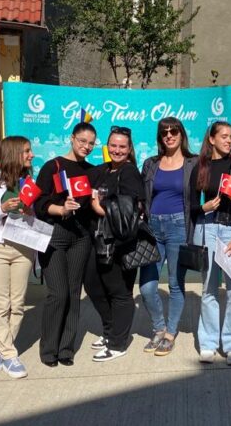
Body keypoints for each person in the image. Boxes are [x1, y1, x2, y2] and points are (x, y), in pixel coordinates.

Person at [188, 121, 231, 366]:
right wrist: (203, 207)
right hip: (207, 228)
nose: (229, 140)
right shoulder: (201, 166)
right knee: (208, 289)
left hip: (230, 232)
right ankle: (208, 344)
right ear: (212, 139)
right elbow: (190, 204)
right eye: (224, 136)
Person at [34, 124, 96, 366]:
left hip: (80, 237)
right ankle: (49, 350)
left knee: (73, 292)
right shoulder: (53, 166)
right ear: (72, 138)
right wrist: (61, 209)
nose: (86, 146)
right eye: (82, 141)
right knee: (57, 294)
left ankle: (66, 349)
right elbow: (39, 203)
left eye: (91, 143)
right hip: (55, 235)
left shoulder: (91, 171)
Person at [85, 126, 146, 362]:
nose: (117, 150)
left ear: (129, 149)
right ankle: (111, 331)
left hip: (120, 244)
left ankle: (118, 344)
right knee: (93, 285)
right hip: (101, 241)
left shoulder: (129, 172)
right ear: (107, 146)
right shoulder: (104, 170)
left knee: (119, 293)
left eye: (122, 146)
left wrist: (98, 207)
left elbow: (128, 214)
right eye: (113, 145)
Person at [0, 136, 36, 378]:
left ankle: (2, 351)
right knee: (0, 304)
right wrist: (2, 209)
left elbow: (32, 218)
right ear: (13, 153)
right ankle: (10, 355)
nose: (31, 155)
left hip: (23, 247)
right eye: (26, 151)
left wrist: (30, 211)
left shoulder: (28, 181)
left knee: (18, 303)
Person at [139, 117, 197, 356]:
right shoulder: (151, 164)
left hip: (179, 226)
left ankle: (170, 333)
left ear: (181, 134)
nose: (169, 136)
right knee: (146, 287)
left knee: (174, 283)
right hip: (153, 227)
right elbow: (142, 194)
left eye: (174, 131)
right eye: (164, 132)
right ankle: (159, 328)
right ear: (160, 137)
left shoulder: (194, 162)